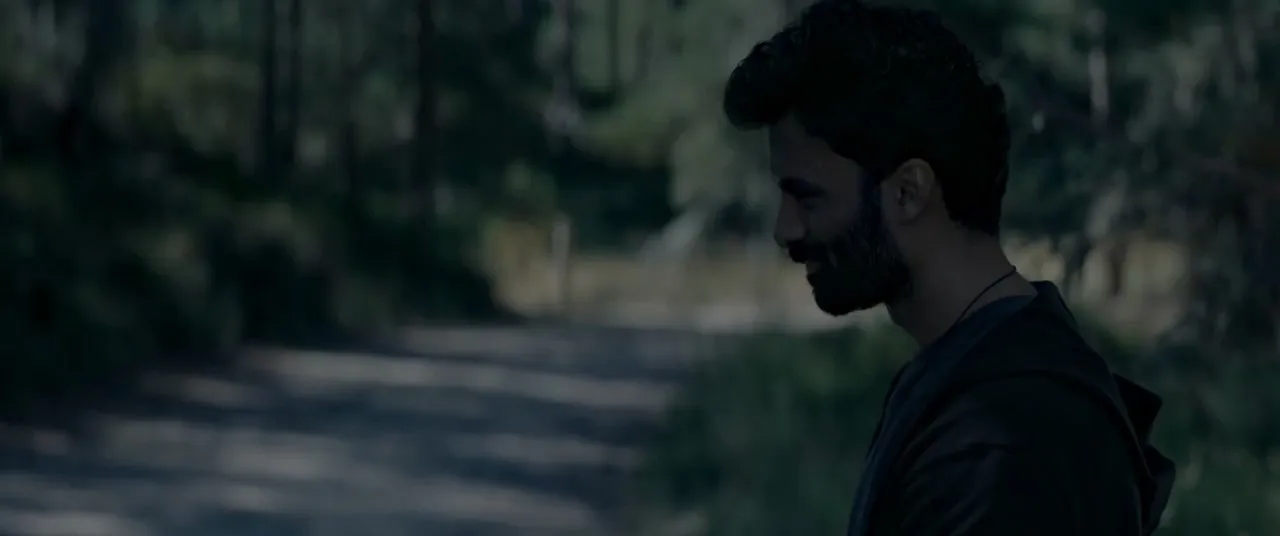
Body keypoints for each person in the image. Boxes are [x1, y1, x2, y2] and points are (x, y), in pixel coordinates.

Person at [721, 1, 1175, 535]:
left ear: (908, 192)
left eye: (807, 196)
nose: (785, 230)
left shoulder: (1007, 434)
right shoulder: (975, 378)